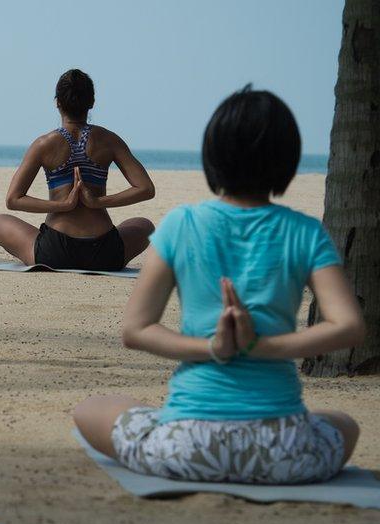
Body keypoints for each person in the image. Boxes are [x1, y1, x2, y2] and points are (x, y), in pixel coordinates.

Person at [73, 86, 365, 484]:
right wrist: (261, 348)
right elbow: (349, 327)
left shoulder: (181, 224)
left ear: (213, 156)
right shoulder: (306, 231)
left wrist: (212, 347)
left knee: (90, 409)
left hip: (187, 447)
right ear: (287, 161)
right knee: (343, 423)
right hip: (285, 454)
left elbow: (135, 331)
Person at [0, 69, 155, 271]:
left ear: (57, 102)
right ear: (91, 102)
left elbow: (13, 199)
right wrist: (97, 202)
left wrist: (62, 205)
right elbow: (146, 188)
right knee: (145, 225)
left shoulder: (43, 144)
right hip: (104, 253)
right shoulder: (109, 140)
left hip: (54, 252)